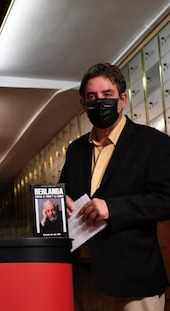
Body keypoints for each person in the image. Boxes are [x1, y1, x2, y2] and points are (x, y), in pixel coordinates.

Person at [59, 63, 170, 311]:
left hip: (132, 281)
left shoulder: (153, 144)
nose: (100, 102)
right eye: (92, 97)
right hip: (82, 278)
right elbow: (62, 192)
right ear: (83, 104)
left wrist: (113, 208)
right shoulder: (76, 150)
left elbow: (166, 200)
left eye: (107, 95)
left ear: (122, 99)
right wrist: (59, 201)